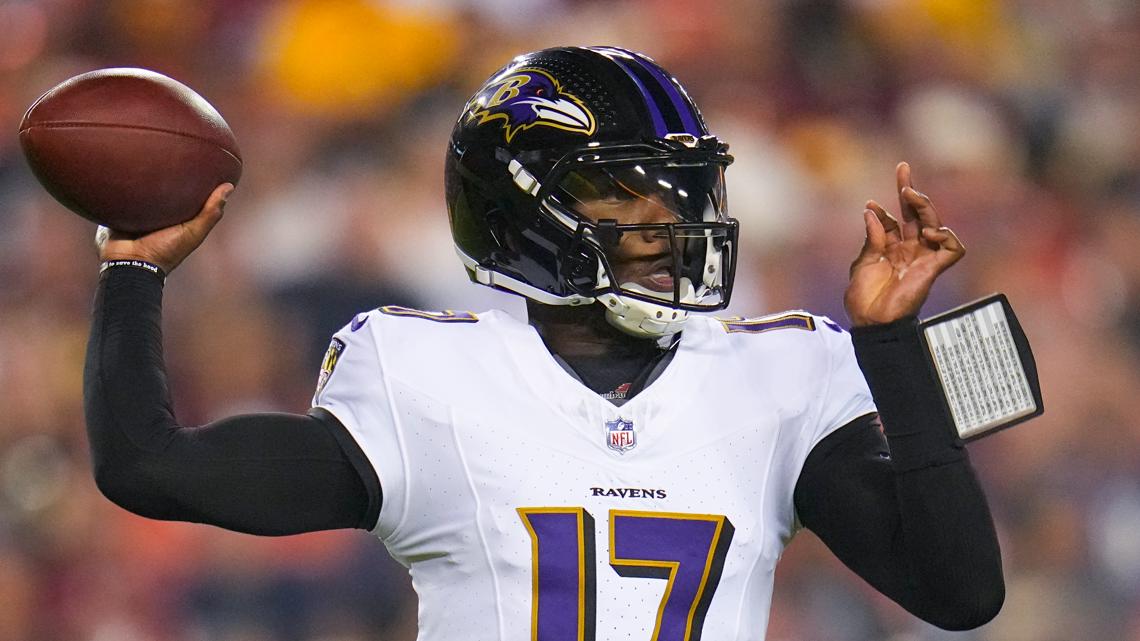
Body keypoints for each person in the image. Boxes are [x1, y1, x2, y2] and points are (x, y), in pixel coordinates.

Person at [85, 46, 1004, 640]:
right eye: (624, 195)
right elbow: (149, 467)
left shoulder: (778, 375)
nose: (667, 224)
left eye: (679, 192)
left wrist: (891, 344)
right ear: (522, 217)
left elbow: (960, 592)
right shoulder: (431, 381)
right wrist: (132, 272)